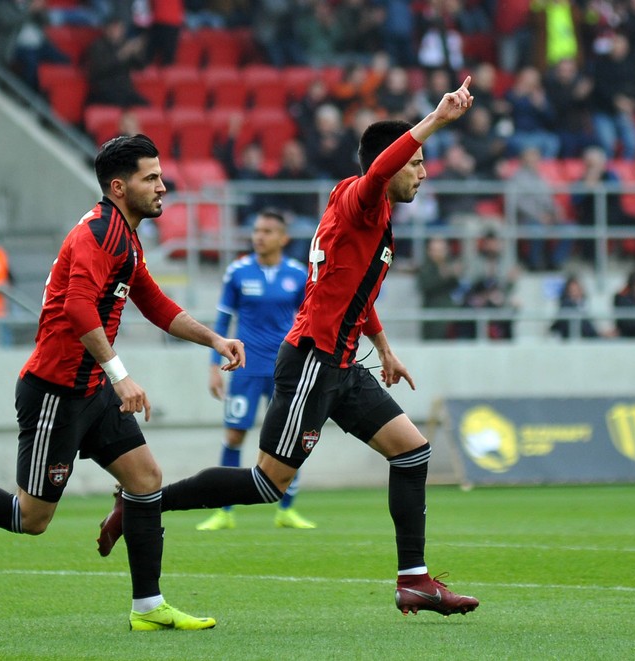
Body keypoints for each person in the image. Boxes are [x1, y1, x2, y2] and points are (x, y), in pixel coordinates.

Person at [97, 77, 481, 617]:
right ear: (391, 165)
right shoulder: (362, 196)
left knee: (412, 451)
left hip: (344, 363)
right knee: (265, 483)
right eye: (417, 164)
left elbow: (354, 289)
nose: (422, 173)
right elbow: (380, 173)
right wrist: (435, 120)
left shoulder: (370, 214)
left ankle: (413, 580)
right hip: (313, 361)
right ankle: (141, 500)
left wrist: (384, 346)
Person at [0, 134, 246, 631]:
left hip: (92, 389)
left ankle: (148, 607)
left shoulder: (125, 237)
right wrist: (122, 377)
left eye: (160, 176)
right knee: (31, 518)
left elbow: (155, 304)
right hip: (55, 394)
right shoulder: (97, 234)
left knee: (146, 481)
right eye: (151, 177)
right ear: (118, 186)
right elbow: (76, 307)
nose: (163, 186)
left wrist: (215, 340)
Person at [198, 210, 316, 532]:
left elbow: (310, 320)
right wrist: (213, 366)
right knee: (235, 435)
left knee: (290, 440)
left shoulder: (297, 274)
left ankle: (286, 510)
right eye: (256, 230)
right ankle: (225, 511)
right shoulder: (237, 272)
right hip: (245, 370)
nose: (259, 236)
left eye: (267, 231)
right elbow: (222, 322)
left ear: (283, 238)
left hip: (285, 370)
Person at [509, 145, 573, 271]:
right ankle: (535, 263)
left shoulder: (541, 178)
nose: (534, 162)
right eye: (530, 159)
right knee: (536, 228)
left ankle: (556, 262)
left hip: (546, 218)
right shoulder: (515, 179)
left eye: (536, 159)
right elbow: (518, 204)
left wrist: (557, 211)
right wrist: (538, 216)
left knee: (570, 228)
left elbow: (548, 200)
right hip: (526, 220)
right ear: (523, 160)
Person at [83, 14, 148, 108]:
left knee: (146, 108)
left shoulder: (124, 44)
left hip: (125, 91)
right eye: (114, 28)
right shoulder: (97, 46)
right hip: (104, 91)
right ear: (106, 29)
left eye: (119, 28)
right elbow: (100, 69)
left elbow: (141, 66)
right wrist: (122, 54)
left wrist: (137, 52)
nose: (117, 31)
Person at [416, 236, 464, 340]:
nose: (438, 253)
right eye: (435, 250)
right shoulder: (425, 268)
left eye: (441, 250)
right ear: (429, 251)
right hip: (433, 317)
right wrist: (443, 276)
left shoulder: (450, 265)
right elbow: (424, 286)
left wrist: (455, 275)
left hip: (452, 317)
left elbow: (458, 287)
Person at [549, 274, 611, 339]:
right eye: (572, 290)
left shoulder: (582, 305)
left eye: (577, 289)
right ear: (567, 292)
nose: (576, 293)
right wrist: (599, 335)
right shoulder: (567, 307)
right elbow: (584, 328)